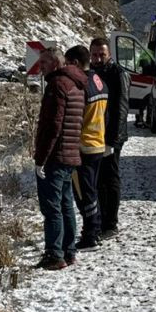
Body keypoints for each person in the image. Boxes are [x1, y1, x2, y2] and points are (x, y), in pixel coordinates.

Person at [31, 40, 85, 270]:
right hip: (71, 153)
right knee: (65, 205)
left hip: (55, 156)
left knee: (52, 207)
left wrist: (40, 159)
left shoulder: (56, 86)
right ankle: (69, 250)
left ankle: (54, 254)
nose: (39, 67)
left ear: (54, 63)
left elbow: (52, 126)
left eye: (43, 63)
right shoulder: (76, 84)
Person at [64, 45, 108, 249]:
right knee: (92, 190)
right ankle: (95, 230)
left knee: (84, 194)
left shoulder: (81, 86)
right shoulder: (99, 82)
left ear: (74, 63)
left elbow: (75, 117)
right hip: (98, 142)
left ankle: (91, 234)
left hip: (84, 145)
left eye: (67, 64)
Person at [90, 36, 129, 236]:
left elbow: (121, 108)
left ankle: (110, 224)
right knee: (97, 181)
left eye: (102, 55)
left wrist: (113, 140)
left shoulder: (117, 74)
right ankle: (100, 220)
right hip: (95, 135)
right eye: (95, 55)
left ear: (109, 55)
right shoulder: (90, 73)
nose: (98, 59)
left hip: (112, 136)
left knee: (110, 178)